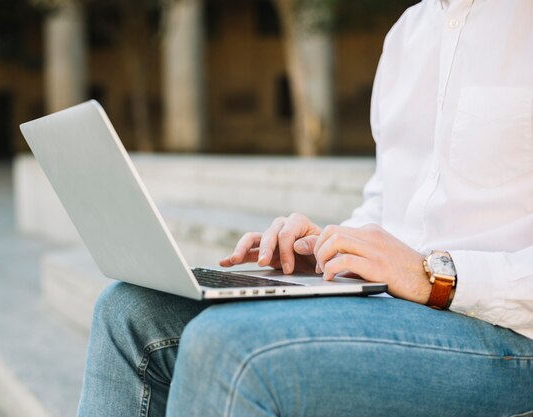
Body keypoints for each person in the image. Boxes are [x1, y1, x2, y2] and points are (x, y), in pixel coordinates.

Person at [76, 0, 533, 415]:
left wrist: (434, 275)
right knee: (129, 309)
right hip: (402, 306)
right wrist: (329, 246)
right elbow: (390, 203)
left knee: (227, 347)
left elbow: (422, 268)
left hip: (508, 333)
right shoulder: (407, 34)